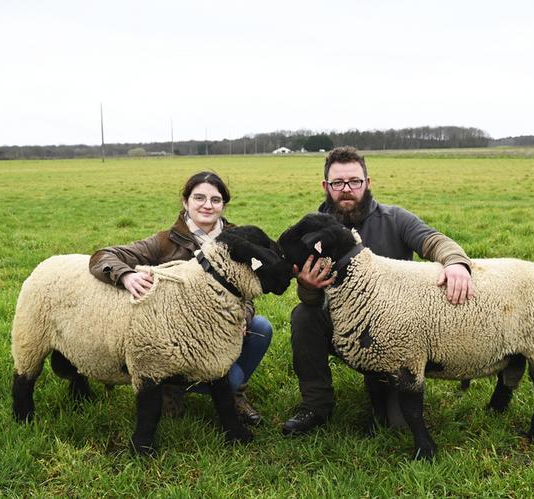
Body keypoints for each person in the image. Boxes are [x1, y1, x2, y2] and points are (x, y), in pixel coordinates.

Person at [282, 146, 475, 435]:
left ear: (367, 183)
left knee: (394, 424)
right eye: (338, 183)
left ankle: (385, 384)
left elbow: (433, 240)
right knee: (304, 316)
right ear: (326, 186)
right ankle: (316, 405)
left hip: (393, 332)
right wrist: (307, 287)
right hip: (341, 323)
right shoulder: (313, 229)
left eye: (354, 181)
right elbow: (311, 298)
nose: (347, 189)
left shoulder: (395, 219)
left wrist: (456, 263)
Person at [89, 171, 272, 425]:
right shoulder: (164, 242)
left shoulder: (237, 241)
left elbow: (247, 292)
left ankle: (235, 396)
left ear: (223, 205)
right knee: (226, 376)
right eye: (199, 198)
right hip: (177, 338)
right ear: (186, 202)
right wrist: (125, 275)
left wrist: (244, 316)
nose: (207, 205)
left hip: (222, 331)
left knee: (262, 328)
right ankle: (172, 387)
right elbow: (103, 256)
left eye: (215, 200)